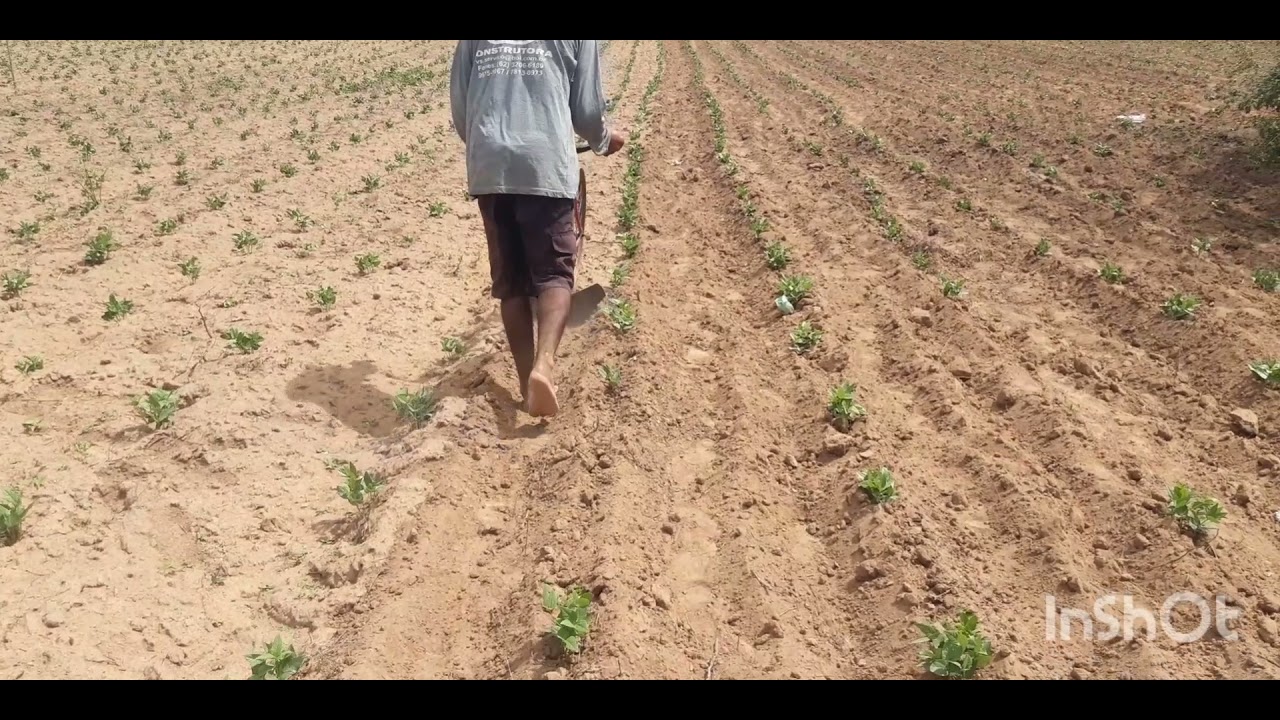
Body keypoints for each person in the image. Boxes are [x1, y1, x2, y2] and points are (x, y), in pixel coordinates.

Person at [450, 40, 626, 418]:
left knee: (510, 282)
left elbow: (461, 105)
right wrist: (602, 139)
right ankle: (544, 367)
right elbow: (586, 109)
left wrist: (487, 146)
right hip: (543, 160)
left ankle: (523, 382)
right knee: (553, 277)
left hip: (490, 163)